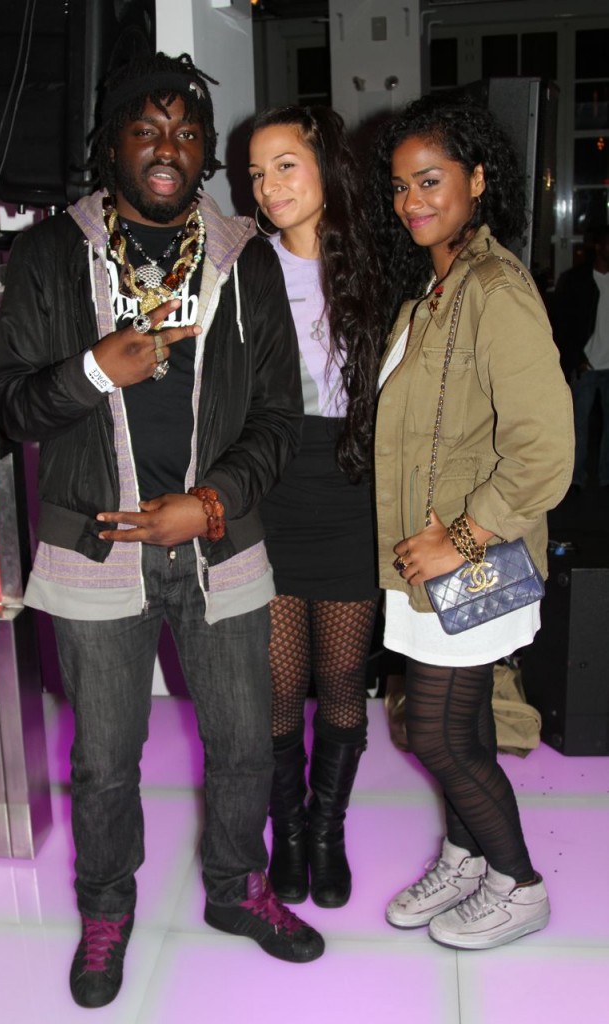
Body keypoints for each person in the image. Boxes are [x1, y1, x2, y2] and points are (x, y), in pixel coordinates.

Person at [0, 47, 325, 1011]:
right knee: (103, 758)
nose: (168, 147)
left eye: (186, 131)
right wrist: (96, 370)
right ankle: (106, 910)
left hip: (220, 542)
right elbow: (12, 406)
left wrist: (209, 502)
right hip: (96, 547)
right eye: (147, 129)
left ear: (204, 152)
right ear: (112, 145)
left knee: (246, 742)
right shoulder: (51, 255)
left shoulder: (245, 258)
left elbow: (278, 416)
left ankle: (236, 887)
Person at [367, 93, 573, 950]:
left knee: (438, 735)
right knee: (462, 725)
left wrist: (459, 538)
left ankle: (517, 883)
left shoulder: (494, 288)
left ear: (478, 180)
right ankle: (467, 856)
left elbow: (545, 450)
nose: (411, 200)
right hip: (425, 561)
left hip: (467, 558)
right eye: (399, 185)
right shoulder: (437, 287)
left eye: (430, 180)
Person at [248, 106, 381, 909]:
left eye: (285, 165)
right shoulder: (244, 264)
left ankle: (327, 832)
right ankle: (289, 833)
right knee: (276, 683)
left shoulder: (380, 260)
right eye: (256, 173)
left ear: (326, 165)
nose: (269, 187)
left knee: (340, 677)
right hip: (271, 482)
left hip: (352, 485)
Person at [552, 223, 609, 489]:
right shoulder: (577, 280)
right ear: (598, 246)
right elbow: (563, 324)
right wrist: (576, 359)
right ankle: (575, 478)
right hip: (587, 364)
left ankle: (605, 476)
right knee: (578, 426)